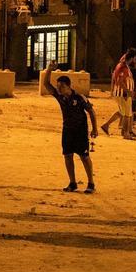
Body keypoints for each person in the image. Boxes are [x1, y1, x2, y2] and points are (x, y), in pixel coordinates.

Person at [44, 62, 98, 193]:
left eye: (61, 86)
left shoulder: (79, 98)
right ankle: (72, 182)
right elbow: (46, 84)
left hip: (80, 130)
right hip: (67, 130)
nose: (59, 89)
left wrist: (95, 129)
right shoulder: (60, 97)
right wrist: (49, 70)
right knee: (67, 155)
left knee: (84, 156)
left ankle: (91, 183)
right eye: (58, 87)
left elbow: (91, 111)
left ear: (68, 86)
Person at [100, 49, 136, 140]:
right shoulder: (123, 67)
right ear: (132, 58)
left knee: (122, 112)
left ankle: (106, 125)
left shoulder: (122, 65)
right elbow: (119, 81)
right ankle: (126, 133)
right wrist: (128, 92)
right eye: (134, 58)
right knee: (127, 114)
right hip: (123, 94)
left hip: (122, 93)